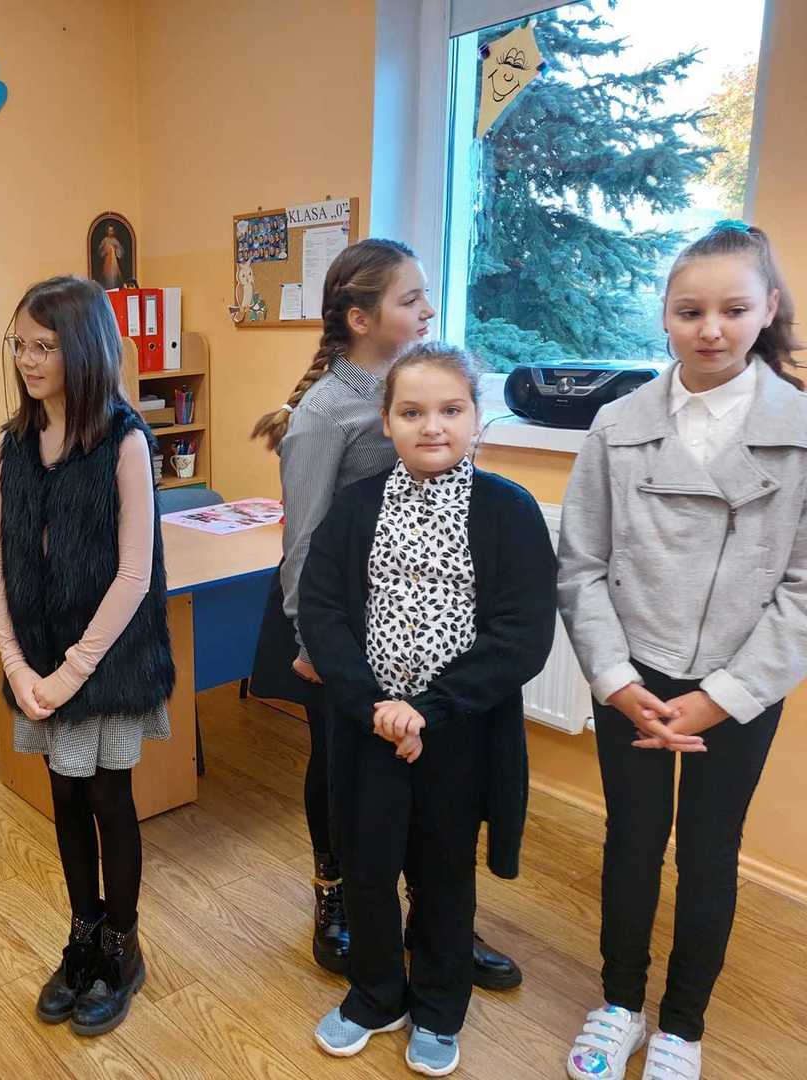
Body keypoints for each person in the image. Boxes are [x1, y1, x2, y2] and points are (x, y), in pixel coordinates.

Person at [559, 221, 807, 1080]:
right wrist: (614, 678)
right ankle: (619, 1002)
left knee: (709, 850)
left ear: (768, 309)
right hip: (633, 675)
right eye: (689, 311)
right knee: (631, 838)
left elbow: (803, 591)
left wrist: (723, 696)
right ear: (664, 315)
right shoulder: (616, 424)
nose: (711, 329)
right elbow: (581, 566)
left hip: (740, 686)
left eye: (734, 309)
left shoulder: (801, 431)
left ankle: (684, 1024)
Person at [301, 343, 555, 1076]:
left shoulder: (508, 511)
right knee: (368, 865)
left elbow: (522, 635)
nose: (432, 426)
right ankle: (376, 994)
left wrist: (429, 710)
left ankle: (440, 1005)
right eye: (411, 412)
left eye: (450, 410)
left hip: (458, 732)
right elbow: (323, 609)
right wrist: (373, 705)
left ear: (476, 419)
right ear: (386, 422)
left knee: (444, 873)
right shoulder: (357, 507)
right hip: (369, 728)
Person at [0, 276, 174, 1036]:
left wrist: (69, 674)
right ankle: (83, 934)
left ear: (85, 348)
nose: (28, 360)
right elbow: (1, 559)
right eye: (21, 345)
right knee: (64, 798)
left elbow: (134, 574)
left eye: (46, 346)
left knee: (107, 798)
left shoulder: (124, 440)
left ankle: (122, 949)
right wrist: (16, 666)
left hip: (105, 665)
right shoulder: (14, 443)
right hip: (38, 664)